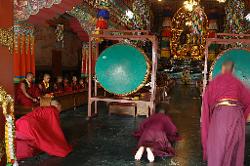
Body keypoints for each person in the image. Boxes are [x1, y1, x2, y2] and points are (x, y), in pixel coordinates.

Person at [201, 61, 250, 166]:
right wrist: (243, 117)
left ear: (222, 69)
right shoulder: (238, 83)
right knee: (233, 149)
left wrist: (209, 119)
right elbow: (248, 100)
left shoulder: (215, 82)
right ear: (233, 71)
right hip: (236, 116)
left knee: (217, 147)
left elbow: (206, 104)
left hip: (220, 116)